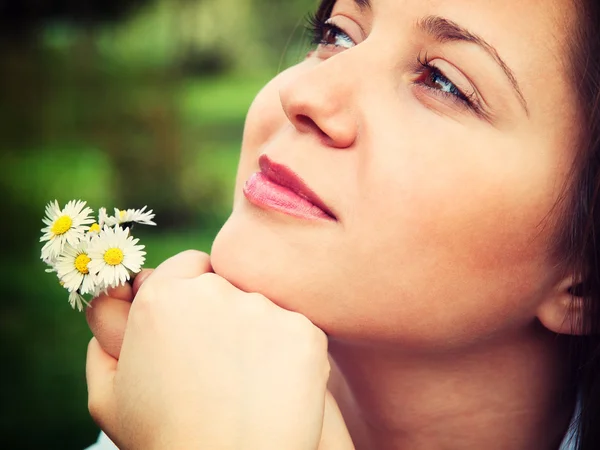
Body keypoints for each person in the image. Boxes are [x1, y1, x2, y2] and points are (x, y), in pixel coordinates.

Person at [84, 0, 600, 448]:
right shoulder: (172, 408)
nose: (305, 94)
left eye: (444, 82)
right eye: (338, 34)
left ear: (585, 279)